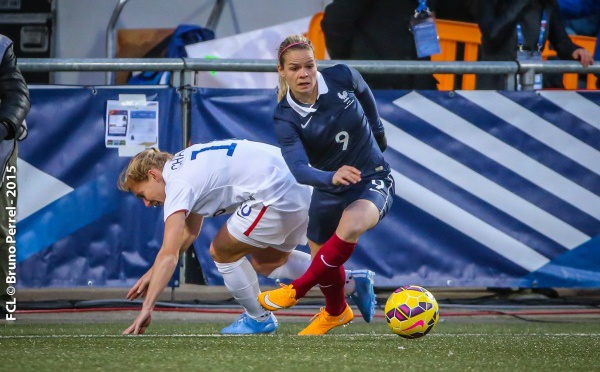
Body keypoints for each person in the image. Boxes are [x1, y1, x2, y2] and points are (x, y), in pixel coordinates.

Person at [118, 139, 376, 335]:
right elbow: (190, 231)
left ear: (153, 175)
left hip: (277, 194)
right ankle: (353, 282)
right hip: (297, 185)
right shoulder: (183, 164)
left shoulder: (177, 183)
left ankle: (258, 318)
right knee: (268, 263)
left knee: (222, 251)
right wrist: (154, 271)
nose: (146, 202)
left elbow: (169, 252)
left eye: (142, 193)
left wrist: (147, 307)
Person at [258, 35, 395, 336]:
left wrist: (378, 129)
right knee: (323, 256)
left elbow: (363, 89)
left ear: (316, 64)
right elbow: (298, 169)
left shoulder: (341, 76)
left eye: (309, 65)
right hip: (328, 187)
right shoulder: (284, 116)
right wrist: (330, 178)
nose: (304, 74)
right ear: (281, 71)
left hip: (372, 178)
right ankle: (336, 312)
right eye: (294, 68)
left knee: (351, 224)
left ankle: (296, 290)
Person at [320, 0, 439, 90]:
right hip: (373, 86)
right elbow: (335, 21)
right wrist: (348, 61)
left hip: (419, 88)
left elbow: (426, 43)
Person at [476, 0, 594, 90]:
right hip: (496, 84)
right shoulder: (489, 2)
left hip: (531, 81)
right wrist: (521, 3)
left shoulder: (547, 4)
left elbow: (561, 41)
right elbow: (492, 36)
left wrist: (574, 50)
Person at [0, 34, 30, 318]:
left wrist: (6, 125)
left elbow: (17, 94)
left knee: (2, 228)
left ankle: (2, 301)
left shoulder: (0, 46)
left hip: (0, 150)